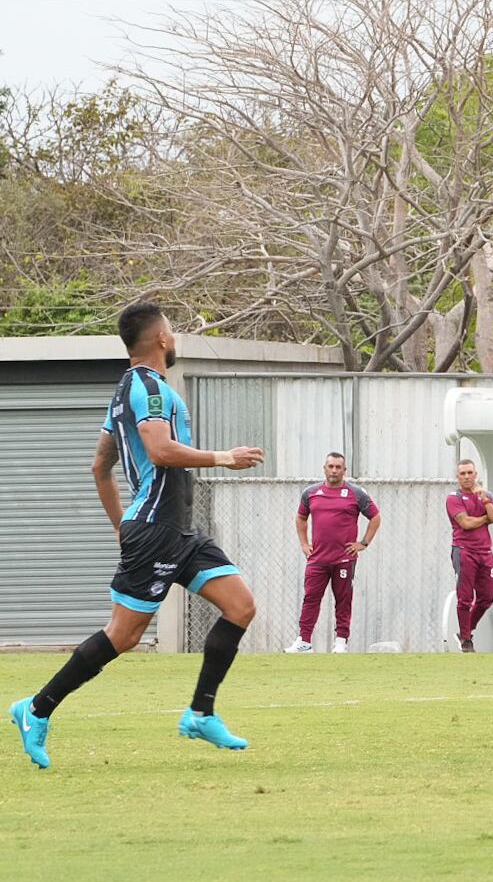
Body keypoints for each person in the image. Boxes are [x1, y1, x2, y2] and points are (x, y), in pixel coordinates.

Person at [9, 302, 263, 769]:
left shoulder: (127, 391)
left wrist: (119, 527)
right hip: (156, 530)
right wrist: (224, 457)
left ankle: (201, 713)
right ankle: (37, 709)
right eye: (172, 329)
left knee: (240, 605)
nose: (174, 335)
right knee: (123, 636)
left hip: (179, 531)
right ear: (162, 338)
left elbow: (98, 466)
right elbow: (160, 451)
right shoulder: (147, 388)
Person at [286, 453, 382, 654]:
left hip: (344, 559)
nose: (334, 470)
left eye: (338, 467)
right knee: (311, 598)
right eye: (331, 466)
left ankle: (341, 642)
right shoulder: (311, 493)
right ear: (325, 468)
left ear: (344, 470)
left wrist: (363, 543)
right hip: (317, 559)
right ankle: (304, 641)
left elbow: (375, 517)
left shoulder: (356, 493)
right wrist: (304, 543)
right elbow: (301, 518)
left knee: (343, 600)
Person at [447, 459, 493, 653]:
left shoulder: (486, 496)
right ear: (457, 476)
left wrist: (485, 500)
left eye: (469, 473)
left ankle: (466, 631)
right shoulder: (454, 498)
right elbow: (466, 523)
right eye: (462, 473)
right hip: (464, 551)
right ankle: (466, 641)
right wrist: (486, 518)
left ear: (476, 474)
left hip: (485, 553)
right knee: (465, 598)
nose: (466, 477)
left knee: (487, 598)